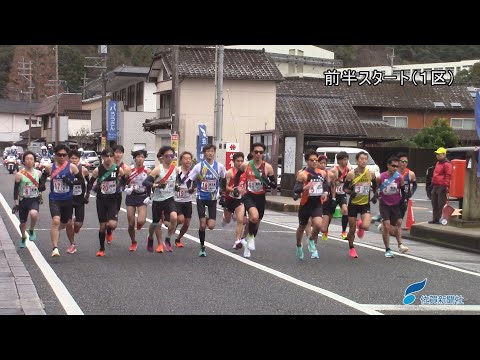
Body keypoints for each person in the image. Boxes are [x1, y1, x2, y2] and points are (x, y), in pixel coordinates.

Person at [233, 143, 276, 258]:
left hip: (261, 197)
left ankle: (246, 242)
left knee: (256, 222)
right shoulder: (246, 165)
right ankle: (250, 238)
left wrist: (267, 180)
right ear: (252, 153)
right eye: (256, 152)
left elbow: (274, 185)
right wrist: (236, 187)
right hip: (249, 196)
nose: (258, 154)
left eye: (261, 152)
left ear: (263, 154)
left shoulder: (268, 167)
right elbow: (237, 176)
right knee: (254, 216)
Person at [38, 144, 79, 257]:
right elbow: (43, 176)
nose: (62, 157)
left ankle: (67, 240)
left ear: (67, 156)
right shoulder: (50, 167)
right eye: (59, 155)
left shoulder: (72, 167)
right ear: (55, 155)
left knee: (67, 223)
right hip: (55, 198)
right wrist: (41, 185)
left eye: (64, 155)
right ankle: (55, 248)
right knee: (56, 221)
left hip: (68, 199)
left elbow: (80, 180)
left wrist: (70, 182)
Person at [85, 147, 125, 257]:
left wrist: (120, 187)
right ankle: (101, 248)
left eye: (111, 156)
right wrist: (87, 196)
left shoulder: (118, 169)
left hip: (113, 199)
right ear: (102, 157)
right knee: (102, 225)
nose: (109, 158)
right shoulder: (98, 170)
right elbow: (90, 183)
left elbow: (124, 179)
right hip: (101, 200)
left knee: (112, 224)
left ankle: (110, 231)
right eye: (106, 156)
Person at [188, 144, 227, 257]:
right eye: (208, 151)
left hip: (213, 198)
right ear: (204, 153)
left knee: (211, 226)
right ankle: (202, 247)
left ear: (214, 153)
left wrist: (223, 192)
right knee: (202, 225)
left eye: (212, 151)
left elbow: (224, 179)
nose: (210, 153)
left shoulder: (219, 166)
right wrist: (191, 188)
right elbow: (190, 179)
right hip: (201, 197)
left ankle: (205, 217)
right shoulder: (198, 166)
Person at [292, 150, 329, 260]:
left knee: (318, 224)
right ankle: (298, 245)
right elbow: (296, 189)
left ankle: (311, 240)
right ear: (307, 161)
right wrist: (305, 188)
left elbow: (325, 184)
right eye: (311, 160)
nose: (314, 162)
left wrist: (325, 193)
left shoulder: (322, 173)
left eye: (316, 160)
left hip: (317, 203)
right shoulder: (302, 175)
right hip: (306, 203)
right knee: (302, 227)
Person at [143, 146, 179, 253]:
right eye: (167, 156)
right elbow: (145, 182)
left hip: (169, 198)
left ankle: (168, 238)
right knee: (155, 223)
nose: (170, 158)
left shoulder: (175, 169)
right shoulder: (158, 169)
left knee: (174, 217)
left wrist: (177, 185)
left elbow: (178, 181)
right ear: (162, 157)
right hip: (158, 200)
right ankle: (150, 237)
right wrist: (155, 185)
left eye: (172, 156)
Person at [343, 151, 377, 258]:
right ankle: (351, 247)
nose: (364, 161)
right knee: (352, 229)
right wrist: (350, 192)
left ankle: (360, 226)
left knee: (366, 226)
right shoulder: (351, 174)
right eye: (361, 159)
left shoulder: (370, 173)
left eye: (365, 159)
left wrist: (375, 195)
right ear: (357, 161)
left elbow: (376, 185)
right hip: (353, 204)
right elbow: (345, 188)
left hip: (364, 204)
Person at [375, 156, 409, 257]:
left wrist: (404, 200)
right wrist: (376, 197)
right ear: (388, 165)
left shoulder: (399, 177)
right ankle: (388, 249)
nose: (395, 168)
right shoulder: (380, 177)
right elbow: (376, 188)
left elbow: (403, 190)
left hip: (395, 204)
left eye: (397, 166)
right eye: (393, 166)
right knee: (387, 225)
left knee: (398, 223)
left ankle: (400, 245)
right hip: (384, 204)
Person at [12, 151, 42, 248]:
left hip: (34, 199)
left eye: (31, 159)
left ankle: (32, 230)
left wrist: (41, 194)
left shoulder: (38, 173)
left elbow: (41, 186)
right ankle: (23, 236)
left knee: (34, 214)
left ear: (34, 161)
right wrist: (16, 203)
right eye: (27, 159)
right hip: (23, 200)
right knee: (22, 223)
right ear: (24, 161)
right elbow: (15, 189)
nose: (29, 161)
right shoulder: (19, 174)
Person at [124, 149, 151, 251]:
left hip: (142, 196)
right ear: (134, 158)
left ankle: (139, 226)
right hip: (131, 196)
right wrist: (126, 188)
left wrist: (149, 196)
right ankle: (133, 241)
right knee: (131, 223)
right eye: (138, 157)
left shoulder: (147, 171)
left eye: (142, 157)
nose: (140, 159)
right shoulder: (129, 170)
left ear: (144, 158)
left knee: (141, 221)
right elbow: (123, 182)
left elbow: (149, 185)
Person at [106, 144, 131, 244]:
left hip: (117, 195)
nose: (118, 155)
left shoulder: (126, 168)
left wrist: (125, 187)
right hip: (105, 194)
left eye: (120, 152)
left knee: (113, 218)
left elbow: (127, 181)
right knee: (105, 216)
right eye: (116, 152)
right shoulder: (107, 165)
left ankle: (109, 230)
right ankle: (106, 231)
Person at [66, 149, 89, 254]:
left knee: (78, 224)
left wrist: (87, 195)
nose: (74, 160)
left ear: (79, 159)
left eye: (76, 158)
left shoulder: (83, 170)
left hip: (79, 199)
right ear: (69, 159)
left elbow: (89, 183)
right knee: (68, 222)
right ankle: (72, 244)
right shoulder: (66, 169)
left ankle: (76, 222)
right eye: (72, 158)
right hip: (68, 198)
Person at [222, 152, 247, 250]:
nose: (240, 163)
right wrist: (234, 190)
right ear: (233, 161)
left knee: (240, 220)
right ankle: (225, 217)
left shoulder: (245, 172)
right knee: (227, 221)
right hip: (229, 199)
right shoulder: (229, 172)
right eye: (238, 161)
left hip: (239, 199)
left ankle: (237, 241)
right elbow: (226, 187)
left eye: (241, 161)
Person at [174, 151, 195, 248]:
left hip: (188, 201)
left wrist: (193, 189)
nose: (188, 160)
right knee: (181, 219)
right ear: (181, 160)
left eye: (189, 158)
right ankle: (173, 224)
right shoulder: (176, 170)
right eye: (185, 158)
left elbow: (199, 182)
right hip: (176, 200)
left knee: (186, 223)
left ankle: (178, 238)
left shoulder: (194, 172)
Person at [330, 151, 352, 239]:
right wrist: (333, 198)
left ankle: (343, 232)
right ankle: (326, 229)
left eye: (346, 159)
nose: (345, 161)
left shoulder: (349, 170)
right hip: (334, 194)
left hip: (342, 194)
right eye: (343, 160)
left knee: (345, 210)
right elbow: (332, 185)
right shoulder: (334, 170)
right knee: (330, 214)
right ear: (339, 161)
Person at [430, 147, 452, 224]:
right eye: (437, 154)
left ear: (444, 154)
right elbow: (435, 174)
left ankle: (439, 219)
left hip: (442, 186)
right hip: (436, 185)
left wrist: (446, 186)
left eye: (439, 154)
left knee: (441, 204)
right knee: (434, 203)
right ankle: (435, 219)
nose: (437, 155)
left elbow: (448, 175)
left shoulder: (447, 164)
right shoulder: (438, 163)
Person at [318, 154, 336, 242]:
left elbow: (333, 187)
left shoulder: (331, 175)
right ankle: (312, 241)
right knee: (315, 223)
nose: (323, 165)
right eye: (321, 163)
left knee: (323, 229)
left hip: (326, 201)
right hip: (315, 201)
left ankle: (324, 231)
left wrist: (333, 198)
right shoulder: (313, 174)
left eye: (325, 163)